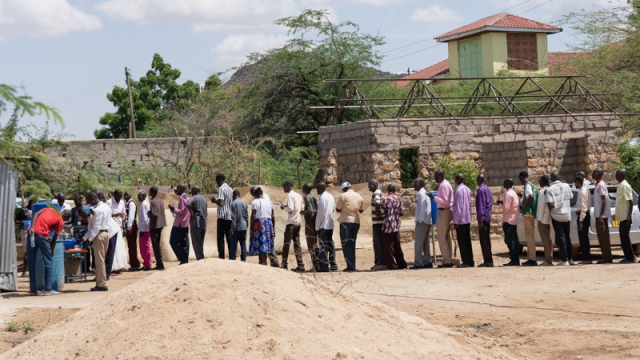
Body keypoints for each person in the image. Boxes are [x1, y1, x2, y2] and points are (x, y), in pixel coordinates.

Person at [27, 206, 65, 296]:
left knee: (31, 262)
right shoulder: (60, 222)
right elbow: (54, 240)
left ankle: (33, 290)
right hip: (41, 236)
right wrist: (50, 252)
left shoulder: (49, 209)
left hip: (31, 234)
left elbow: (35, 213)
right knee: (49, 262)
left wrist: (32, 227)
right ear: (66, 217)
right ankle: (48, 289)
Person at [84, 191, 110, 291]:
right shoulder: (106, 206)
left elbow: (96, 228)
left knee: (99, 261)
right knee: (101, 260)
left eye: (89, 200)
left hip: (99, 235)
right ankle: (100, 282)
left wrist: (89, 240)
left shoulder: (98, 210)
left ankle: (101, 284)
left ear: (93, 199)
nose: (88, 202)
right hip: (106, 234)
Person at [427, 170, 454, 268]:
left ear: (441, 176)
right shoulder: (447, 184)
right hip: (447, 211)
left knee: (442, 237)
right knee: (447, 236)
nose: (435, 178)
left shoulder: (443, 185)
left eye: (436, 176)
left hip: (444, 211)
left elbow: (446, 202)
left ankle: (447, 260)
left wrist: (433, 197)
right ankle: (449, 258)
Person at [336, 181, 365, 272]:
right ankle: (353, 264)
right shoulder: (359, 196)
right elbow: (361, 210)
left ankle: (350, 266)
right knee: (352, 243)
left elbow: (338, 209)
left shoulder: (343, 196)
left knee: (346, 243)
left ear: (344, 189)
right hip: (356, 221)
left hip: (346, 221)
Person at [546, 172, 573, 266]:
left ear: (551, 179)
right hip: (567, 214)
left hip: (557, 215)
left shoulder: (550, 189)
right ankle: (570, 258)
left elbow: (549, 204)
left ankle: (564, 259)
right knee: (567, 236)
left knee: (561, 237)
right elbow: (571, 197)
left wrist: (554, 208)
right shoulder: (566, 186)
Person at [249, 187, 280, 267]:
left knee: (261, 244)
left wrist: (251, 228)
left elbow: (253, 215)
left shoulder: (255, 202)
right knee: (269, 244)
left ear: (256, 194)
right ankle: (272, 264)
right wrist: (273, 228)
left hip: (259, 224)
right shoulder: (270, 202)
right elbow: (273, 216)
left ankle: (263, 263)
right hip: (269, 224)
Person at [380, 183, 407, 270]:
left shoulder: (384, 199)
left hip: (387, 225)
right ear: (394, 190)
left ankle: (392, 265)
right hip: (395, 224)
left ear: (388, 190)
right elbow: (402, 212)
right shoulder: (398, 199)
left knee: (388, 246)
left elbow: (381, 212)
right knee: (397, 245)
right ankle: (401, 264)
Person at [280, 180, 305, 271]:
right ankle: (301, 265)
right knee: (297, 244)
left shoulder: (290, 195)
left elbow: (290, 208)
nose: (283, 189)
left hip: (291, 222)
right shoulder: (298, 195)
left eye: (284, 187)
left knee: (286, 243)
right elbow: (301, 207)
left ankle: (284, 263)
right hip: (298, 221)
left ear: (287, 186)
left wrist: (284, 207)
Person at [315, 182, 338, 272]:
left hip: (323, 225)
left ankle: (324, 265)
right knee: (330, 244)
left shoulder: (323, 198)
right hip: (330, 224)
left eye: (317, 189)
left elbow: (320, 214)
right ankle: (333, 264)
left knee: (323, 245)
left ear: (321, 189)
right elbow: (333, 209)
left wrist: (317, 227)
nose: (316, 190)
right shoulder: (330, 196)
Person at [615, 169, 636, 263]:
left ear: (623, 175)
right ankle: (628, 256)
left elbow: (630, 202)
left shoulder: (625, 186)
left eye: (618, 174)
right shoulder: (620, 186)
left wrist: (629, 217)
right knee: (623, 236)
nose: (616, 175)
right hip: (621, 216)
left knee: (625, 237)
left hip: (625, 217)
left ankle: (631, 257)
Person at [453, 174, 473, 268]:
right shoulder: (467, 189)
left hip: (461, 220)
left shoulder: (458, 190)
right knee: (467, 241)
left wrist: (456, 220)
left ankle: (466, 261)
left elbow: (459, 207)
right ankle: (470, 260)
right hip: (467, 218)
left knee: (462, 242)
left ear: (457, 180)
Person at [412, 178, 432, 269]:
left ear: (420, 184)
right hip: (426, 220)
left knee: (419, 242)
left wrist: (420, 220)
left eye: (415, 183)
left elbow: (423, 208)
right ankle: (428, 261)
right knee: (425, 242)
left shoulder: (421, 193)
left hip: (422, 221)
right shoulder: (423, 192)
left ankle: (419, 262)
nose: (414, 185)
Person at [519, 171, 539, 267]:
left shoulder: (527, 185)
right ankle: (531, 258)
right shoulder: (533, 185)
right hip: (532, 213)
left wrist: (524, 206)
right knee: (530, 236)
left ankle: (532, 259)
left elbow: (530, 196)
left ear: (522, 177)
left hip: (528, 213)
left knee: (529, 237)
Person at [499, 179, 520, 266]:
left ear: (507, 183)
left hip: (508, 219)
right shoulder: (513, 193)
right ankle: (515, 258)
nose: (503, 183)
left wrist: (500, 204)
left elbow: (506, 208)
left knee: (510, 240)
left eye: (504, 182)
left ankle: (514, 259)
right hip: (514, 219)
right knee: (513, 239)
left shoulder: (508, 194)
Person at [593, 168, 612, 264]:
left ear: (600, 174)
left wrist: (601, 215)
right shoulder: (598, 184)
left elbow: (604, 200)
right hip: (598, 214)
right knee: (600, 237)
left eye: (595, 173)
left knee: (604, 237)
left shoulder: (601, 185)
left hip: (602, 216)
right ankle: (604, 256)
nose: (593, 174)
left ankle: (607, 257)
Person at [212, 174, 233, 259]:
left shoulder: (221, 189)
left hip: (222, 216)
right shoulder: (231, 189)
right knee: (229, 238)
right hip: (230, 217)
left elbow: (221, 203)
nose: (217, 183)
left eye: (217, 181)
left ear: (220, 180)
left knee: (220, 238)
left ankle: (221, 257)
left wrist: (214, 201)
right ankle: (232, 256)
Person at [168, 184, 191, 265]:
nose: (176, 190)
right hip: (185, 223)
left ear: (181, 189)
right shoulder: (187, 198)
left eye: (177, 189)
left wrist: (173, 208)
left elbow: (182, 211)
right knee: (184, 242)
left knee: (173, 241)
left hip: (179, 224)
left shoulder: (182, 198)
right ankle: (185, 259)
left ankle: (183, 258)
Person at [106, 190, 127, 272]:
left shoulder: (122, 202)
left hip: (119, 227)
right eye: (118, 196)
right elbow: (107, 215)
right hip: (111, 228)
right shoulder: (109, 202)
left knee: (119, 247)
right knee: (112, 248)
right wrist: (116, 215)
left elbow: (124, 213)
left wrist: (124, 226)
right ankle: (112, 267)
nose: (120, 198)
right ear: (114, 195)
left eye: (121, 196)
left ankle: (119, 266)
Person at [300, 183, 320, 271]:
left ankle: (315, 266)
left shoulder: (307, 198)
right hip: (314, 222)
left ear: (305, 189)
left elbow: (311, 210)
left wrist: (303, 212)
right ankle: (317, 264)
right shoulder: (313, 198)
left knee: (311, 244)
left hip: (310, 222)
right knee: (314, 243)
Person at [475, 174, 493, 267]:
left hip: (483, 218)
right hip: (487, 217)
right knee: (487, 239)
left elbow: (481, 206)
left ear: (479, 180)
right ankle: (488, 260)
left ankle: (488, 261)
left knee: (484, 240)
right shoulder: (487, 189)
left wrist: (480, 220)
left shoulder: (481, 190)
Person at [368, 179, 386, 271]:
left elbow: (378, 202)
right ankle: (380, 261)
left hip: (378, 222)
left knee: (378, 242)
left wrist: (377, 212)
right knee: (378, 242)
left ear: (375, 185)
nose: (368, 187)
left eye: (370, 185)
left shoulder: (376, 193)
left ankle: (380, 262)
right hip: (378, 222)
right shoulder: (377, 192)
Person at [536, 175, 554, 266]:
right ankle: (549, 257)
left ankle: (548, 259)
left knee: (546, 240)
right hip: (551, 217)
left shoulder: (542, 192)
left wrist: (539, 219)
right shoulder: (551, 190)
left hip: (543, 218)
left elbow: (541, 207)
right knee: (549, 239)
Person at [187, 186, 208, 261]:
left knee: (196, 242)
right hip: (204, 222)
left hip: (196, 222)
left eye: (192, 191)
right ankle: (201, 258)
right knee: (200, 243)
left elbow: (188, 204)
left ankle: (200, 259)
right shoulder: (204, 199)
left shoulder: (194, 197)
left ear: (195, 191)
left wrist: (192, 213)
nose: (191, 193)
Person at [148, 186, 167, 270]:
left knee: (156, 245)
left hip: (155, 225)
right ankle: (159, 263)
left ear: (152, 192)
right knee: (157, 245)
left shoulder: (152, 201)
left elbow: (154, 214)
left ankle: (160, 264)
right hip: (160, 225)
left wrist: (149, 213)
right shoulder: (160, 201)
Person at [575, 175, 592, 264]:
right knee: (583, 237)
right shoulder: (584, 190)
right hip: (584, 215)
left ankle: (587, 258)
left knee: (583, 237)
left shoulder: (582, 191)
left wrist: (581, 220)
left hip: (583, 216)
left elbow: (584, 207)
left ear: (578, 182)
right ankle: (587, 257)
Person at [123, 192, 141, 271]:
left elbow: (130, 217)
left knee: (132, 246)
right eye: (125, 195)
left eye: (127, 195)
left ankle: (135, 264)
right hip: (129, 226)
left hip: (131, 226)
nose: (126, 196)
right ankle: (133, 263)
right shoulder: (127, 203)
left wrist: (128, 228)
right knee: (130, 246)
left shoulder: (131, 204)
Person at [230, 190, 248, 261]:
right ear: (239, 195)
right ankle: (243, 260)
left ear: (233, 196)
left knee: (233, 246)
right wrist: (247, 226)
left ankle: (233, 260)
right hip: (244, 227)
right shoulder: (244, 203)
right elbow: (246, 217)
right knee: (243, 244)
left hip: (237, 227)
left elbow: (234, 218)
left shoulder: (233, 204)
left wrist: (232, 230)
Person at [137, 191, 152, 271]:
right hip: (145, 229)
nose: (138, 198)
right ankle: (146, 263)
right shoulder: (144, 204)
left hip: (144, 230)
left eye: (139, 196)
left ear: (143, 196)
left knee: (144, 246)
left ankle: (147, 264)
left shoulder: (144, 204)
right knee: (144, 247)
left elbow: (145, 218)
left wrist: (142, 229)